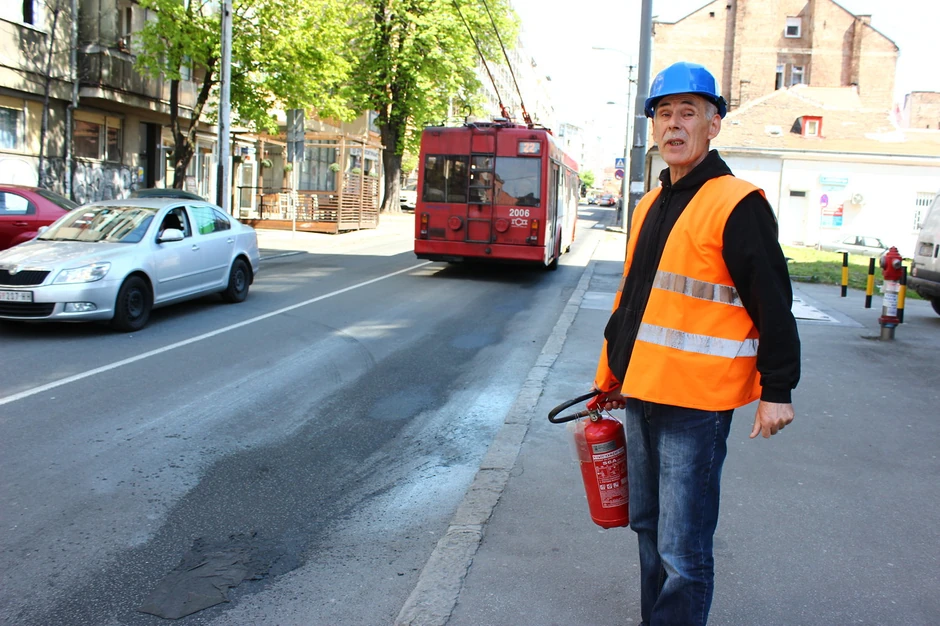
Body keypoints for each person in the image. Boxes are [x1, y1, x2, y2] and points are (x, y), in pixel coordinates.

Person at [592, 61, 801, 626]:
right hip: (641, 392)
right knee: (646, 529)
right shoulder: (649, 204)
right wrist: (610, 377)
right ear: (653, 127)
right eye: (664, 113)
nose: (674, 125)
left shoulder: (737, 202)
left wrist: (776, 389)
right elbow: (633, 301)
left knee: (682, 549)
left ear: (714, 125)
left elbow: (774, 303)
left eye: (689, 113)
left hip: (695, 405)